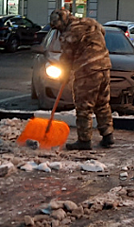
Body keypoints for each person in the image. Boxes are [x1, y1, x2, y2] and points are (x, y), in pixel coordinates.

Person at [49, 8, 114, 150]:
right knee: (102, 103)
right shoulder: (91, 22)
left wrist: (64, 74)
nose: (58, 30)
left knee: (84, 106)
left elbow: (66, 57)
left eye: (57, 26)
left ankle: (84, 141)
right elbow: (102, 32)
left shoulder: (70, 33)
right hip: (104, 66)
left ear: (62, 21)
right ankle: (108, 136)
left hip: (87, 70)